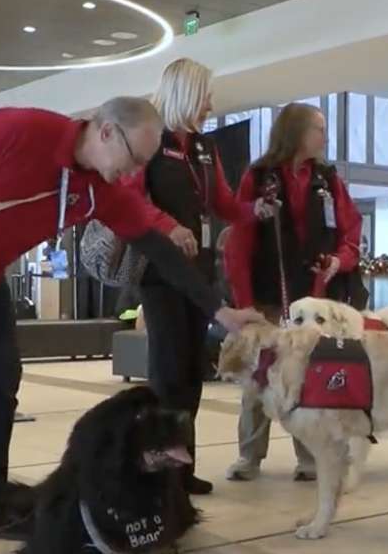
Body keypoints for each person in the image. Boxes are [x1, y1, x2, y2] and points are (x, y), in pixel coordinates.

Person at [0, 98, 261, 554]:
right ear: (107, 132)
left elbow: (157, 247)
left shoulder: (102, 190)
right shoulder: (23, 128)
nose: (134, 173)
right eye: (134, 159)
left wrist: (220, 312)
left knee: (0, 378)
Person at [123, 58, 263, 496]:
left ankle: (182, 467)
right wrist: (168, 226)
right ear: (185, 93)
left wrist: (251, 210)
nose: (210, 104)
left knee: (189, 374)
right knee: (167, 375)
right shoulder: (151, 139)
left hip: (196, 274)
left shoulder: (204, 148)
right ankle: (159, 471)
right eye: (205, 94)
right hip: (160, 274)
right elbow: (126, 202)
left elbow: (221, 200)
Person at [223, 102, 363, 482]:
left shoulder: (327, 178)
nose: (325, 136)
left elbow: (351, 228)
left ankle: (310, 457)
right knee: (259, 377)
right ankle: (250, 456)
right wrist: (244, 303)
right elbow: (239, 239)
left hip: (314, 299)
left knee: (312, 378)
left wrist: (340, 260)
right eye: (319, 128)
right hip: (267, 296)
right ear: (297, 132)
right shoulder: (259, 176)